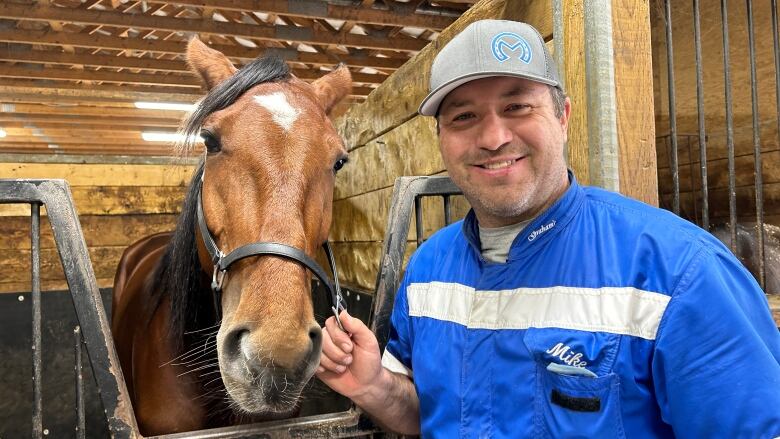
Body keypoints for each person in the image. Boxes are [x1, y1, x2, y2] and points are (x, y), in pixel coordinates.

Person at [316, 19, 780, 438]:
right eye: (463, 116)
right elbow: (425, 417)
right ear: (441, 139)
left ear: (563, 117)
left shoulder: (680, 274)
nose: (494, 137)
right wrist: (374, 385)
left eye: (517, 106)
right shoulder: (427, 271)